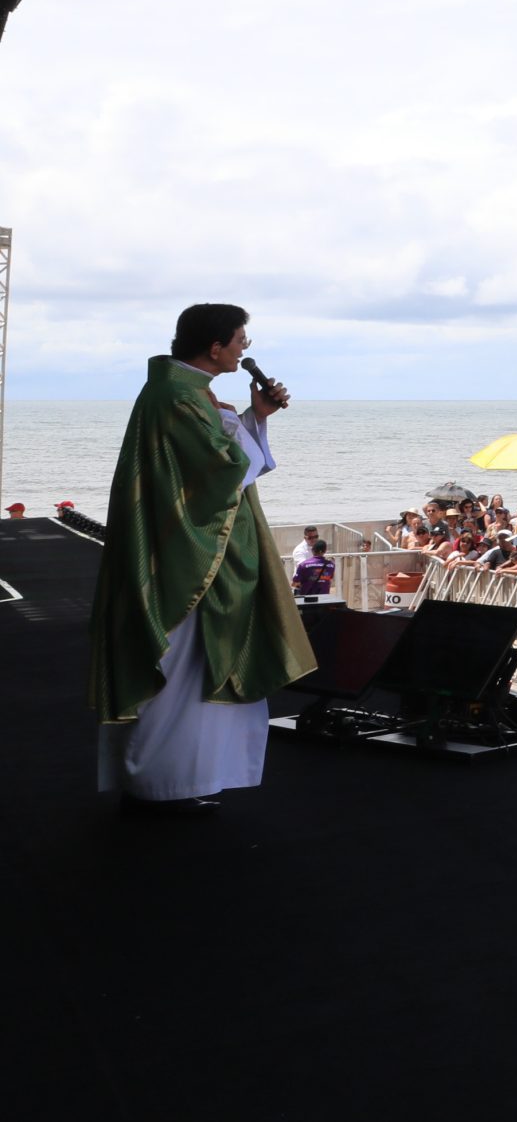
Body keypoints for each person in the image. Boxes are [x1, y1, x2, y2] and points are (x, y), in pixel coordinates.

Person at [91, 304, 316, 814]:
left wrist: (255, 417)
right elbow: (220, 471)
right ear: (215, 347)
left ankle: (176, 781)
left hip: (185, 549)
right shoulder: (179, 397)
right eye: (240, 341)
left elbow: (219, 462)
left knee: (189, 672)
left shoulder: (184, 392)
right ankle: (158, 785)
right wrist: (243, 423)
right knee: (181, 674)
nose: (244, 350)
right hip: (187, 562)